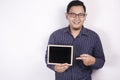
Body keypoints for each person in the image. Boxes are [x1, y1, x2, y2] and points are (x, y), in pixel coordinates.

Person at [45, 0, 105, 80]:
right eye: (73, 14)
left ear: (85, 16)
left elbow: (101, 61)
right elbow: (48, 59)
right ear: (67, 16)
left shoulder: (94, 36)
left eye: (81, 15)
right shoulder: (55, 36)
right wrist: (55, 67)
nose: (77, 18)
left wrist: (93, 61)